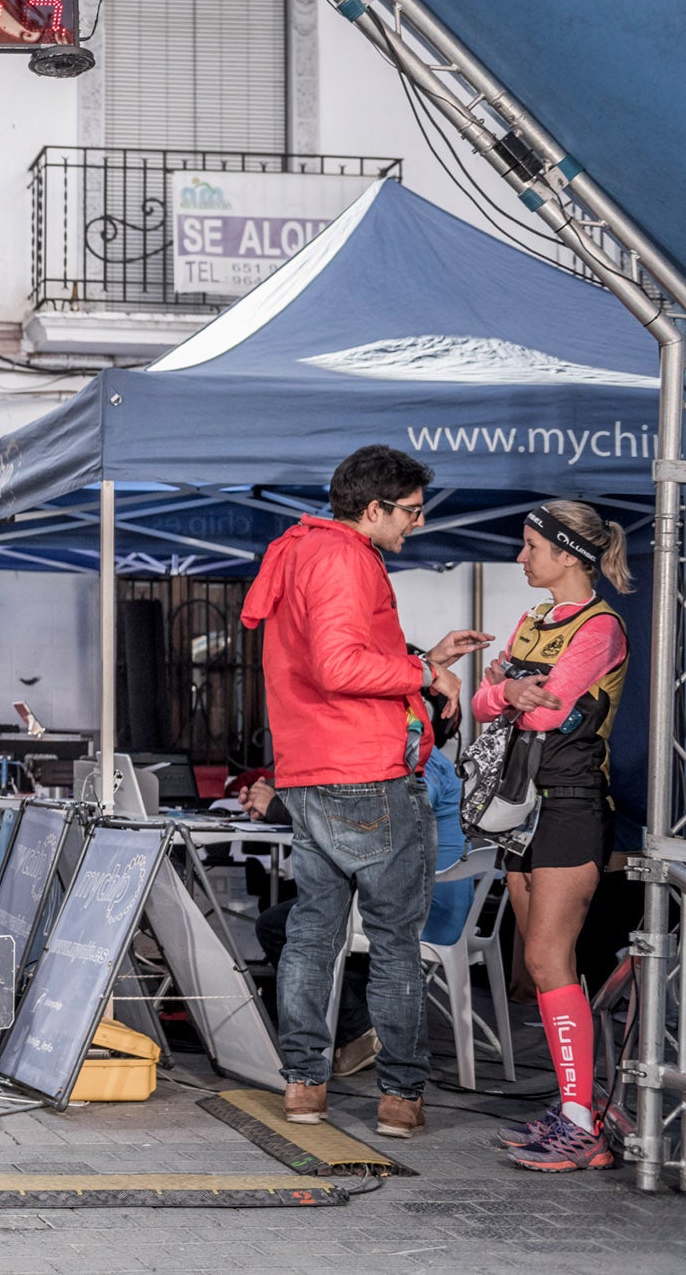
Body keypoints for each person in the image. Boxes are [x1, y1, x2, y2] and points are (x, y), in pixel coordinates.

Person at [239, 445, 494, 1141]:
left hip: (310, 770)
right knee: (391, 942)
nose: (417, 523)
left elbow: (323, 654)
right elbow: (341, 663)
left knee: (312, 935)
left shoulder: (297, 549)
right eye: (410, 511)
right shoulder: (348, 557)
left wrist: (424, 660)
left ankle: (303, 1088)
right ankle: (400, 1096)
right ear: (374, 507)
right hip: (369, 769)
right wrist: (420, 674)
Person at [472, 502, 634, 1172]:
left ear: (569, 553)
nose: (521, 556)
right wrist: (512, 690)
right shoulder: (536, 619)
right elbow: (486, 701)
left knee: (547, 956)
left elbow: (553, 710)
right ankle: (572, 1107)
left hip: (570, 804)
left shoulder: (601, 626)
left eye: (531, 545)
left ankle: (580, 1118)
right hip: (522, 806)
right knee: (538, 965)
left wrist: (507, 688)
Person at [246, 677, 474, 1080]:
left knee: (292, 927)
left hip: (427, 905)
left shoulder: (422, 765)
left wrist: (283, 808)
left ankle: (356, 1035)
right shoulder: (424, 759)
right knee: (315, 921)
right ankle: (366, 1039)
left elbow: (378, 828)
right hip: (426, 895)